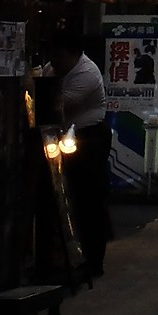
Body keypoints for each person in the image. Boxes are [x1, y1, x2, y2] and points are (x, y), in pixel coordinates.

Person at [47, 30, 111, 279]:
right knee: (65, 198)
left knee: (89, 200)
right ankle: (65, 257)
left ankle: (93, 262)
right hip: (62, 137)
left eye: (59, 57)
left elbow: (58, 104)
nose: (54, 62)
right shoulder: (55, 68)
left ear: (73, 54)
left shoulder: (86, 73)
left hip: (89, 138)